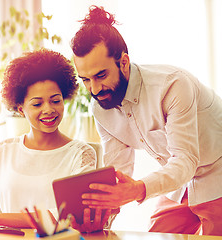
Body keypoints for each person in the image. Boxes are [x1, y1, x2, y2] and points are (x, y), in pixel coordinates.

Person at [70, 5, 222, 236]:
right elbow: (118, 171)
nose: (95, 89)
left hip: (217, 175)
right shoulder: (101, 108)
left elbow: (185, 160)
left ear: (123, 62)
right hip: (179, 184)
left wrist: (138, 189)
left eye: (101, 75)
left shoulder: (172, 85)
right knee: (155, 235)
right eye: (86, 79)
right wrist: (100, 217)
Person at [0, 48, 98, 229]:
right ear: (21, 109)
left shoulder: (81, 154)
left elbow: (64, 216)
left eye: (55, 100)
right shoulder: (4, 151)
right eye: (37, 104)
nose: (48, 109)